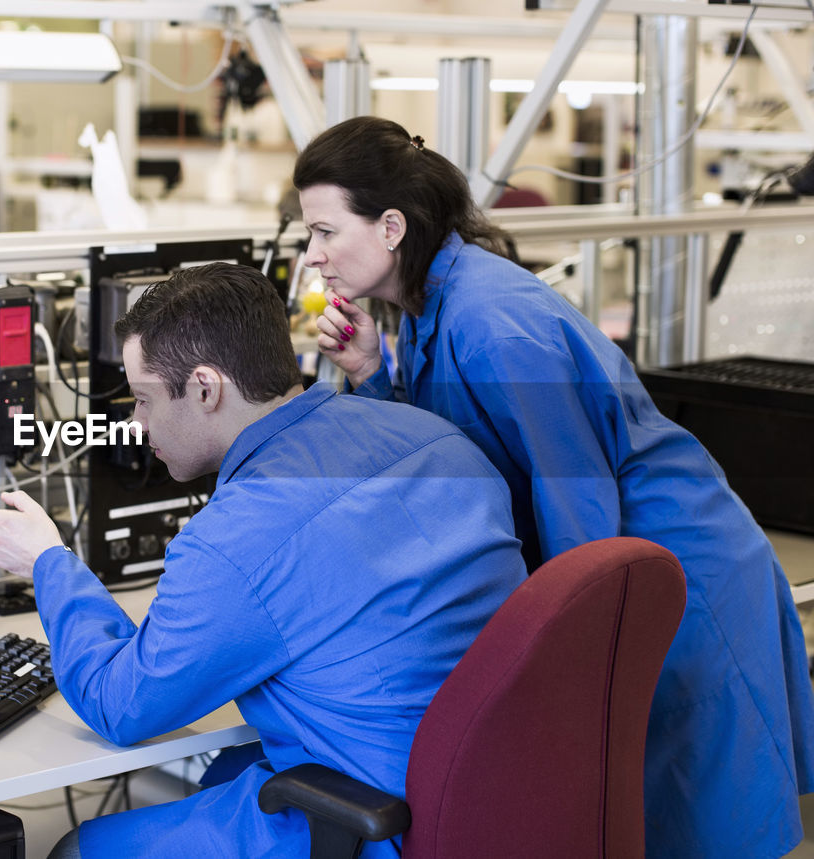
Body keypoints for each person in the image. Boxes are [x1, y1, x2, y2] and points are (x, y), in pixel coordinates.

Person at [295, 115, 814, 858]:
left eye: (321, 232)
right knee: (640, 807)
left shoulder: (493, 319)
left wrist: (569, 646)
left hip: (672, 563)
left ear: (388, 226)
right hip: (621, 552)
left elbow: (576, 495)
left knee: (699, 815)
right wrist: (375, 373)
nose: (314, 257)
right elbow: (458, 457)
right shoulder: (426, 308)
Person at [0, 262, 526, 857]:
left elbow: (118, 705)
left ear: (205, 388)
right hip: (498, 791)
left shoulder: (237, 540)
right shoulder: (438, 439)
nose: (134, 422)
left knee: (77, 848)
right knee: (224, 772)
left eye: (144, 399)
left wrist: (49, 560)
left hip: (385, 824)